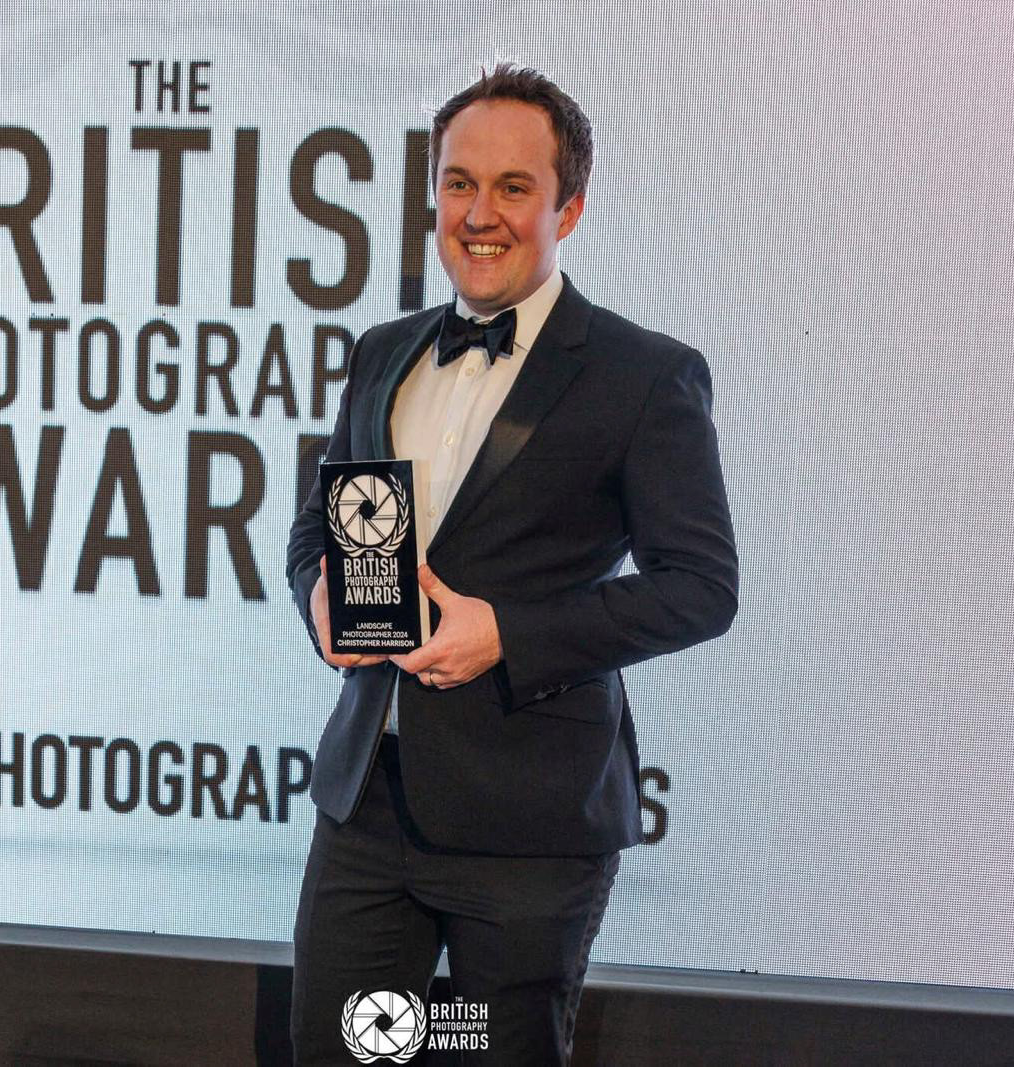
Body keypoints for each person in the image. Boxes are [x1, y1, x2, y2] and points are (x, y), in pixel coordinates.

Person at [284, 63, 738, 1065]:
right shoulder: (381, 350)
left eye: (512, 187)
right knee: (349, 1049)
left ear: (567, 208)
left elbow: (701, 587)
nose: (477, 213)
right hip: (369, 805)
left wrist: (510, 634)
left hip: (531, 827)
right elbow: (319, 522)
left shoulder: (643, 374)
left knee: (488, 1052)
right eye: (457, 183)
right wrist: (318, 587)